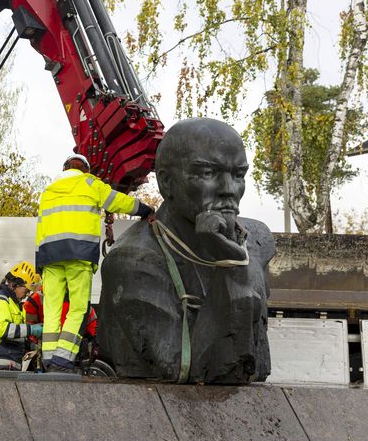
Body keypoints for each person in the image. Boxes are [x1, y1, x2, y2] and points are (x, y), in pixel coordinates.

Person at [97, 118, 275, 383]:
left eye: (238, 175)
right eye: (207, 173)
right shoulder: (133, 263)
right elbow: (187, 371)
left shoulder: (257, 241)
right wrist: (230, 266)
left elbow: (254, 368)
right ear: (166, 182)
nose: (229, 190)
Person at [35, 153, 153, 372]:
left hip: (49, 257)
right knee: (78, 309)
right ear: (85, 169)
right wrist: (146, 210)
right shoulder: (90, 183)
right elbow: (119, 201)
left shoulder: (48, 191)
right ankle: (62, 361)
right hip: (78, 255)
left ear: (65, 168)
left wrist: (38, 262)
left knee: (51, 309)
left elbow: (40, 227)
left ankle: (49, 358)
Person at [0, 261, 43, 370]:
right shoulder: (0, 300)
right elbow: (2, 329)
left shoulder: (15, 305)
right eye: (26, 290)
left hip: (8, 363)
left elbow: (16, 334)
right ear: (15, 284)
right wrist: (31, 329)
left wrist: (29, 344)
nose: (27, 295)